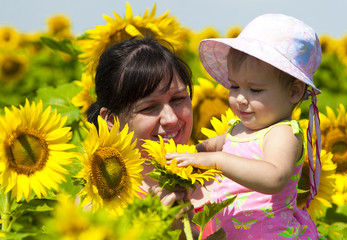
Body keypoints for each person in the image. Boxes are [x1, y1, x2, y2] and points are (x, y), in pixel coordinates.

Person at [166, 14, 324, 239]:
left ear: (294, 92)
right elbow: (210, 147)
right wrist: (188, 158)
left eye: (255, 90)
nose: (240, 98)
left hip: (271, 234)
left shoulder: (282, 133)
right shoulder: (237, 129)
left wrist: (218, 161)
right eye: (235, 86)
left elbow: (275, 177)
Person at [86, 36, 201, 237]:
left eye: (178, 99)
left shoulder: (222, 173)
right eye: (149, 107)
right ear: (111, 119)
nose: (171, 118)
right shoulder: (100, 206)